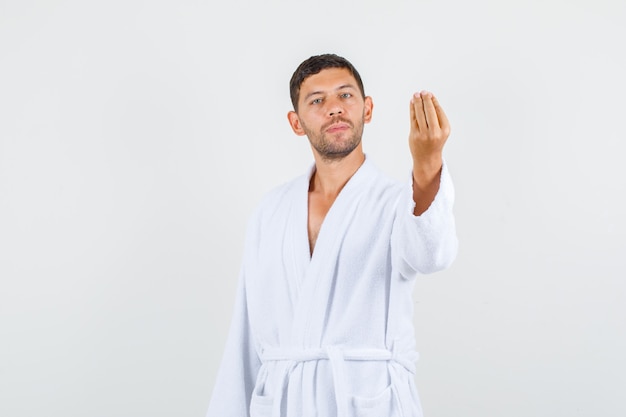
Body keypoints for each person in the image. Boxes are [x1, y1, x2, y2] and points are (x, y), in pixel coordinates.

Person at [206, 53, 458, 417]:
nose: (335, 109)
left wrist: (428, 162)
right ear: (296, 122)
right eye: (317, 100)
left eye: (346, 95)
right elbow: (245, 337)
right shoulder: (271, 210)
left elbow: (432, 255)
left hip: (367, 399)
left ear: (367, 109)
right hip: (283, 402)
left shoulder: (398, 201)